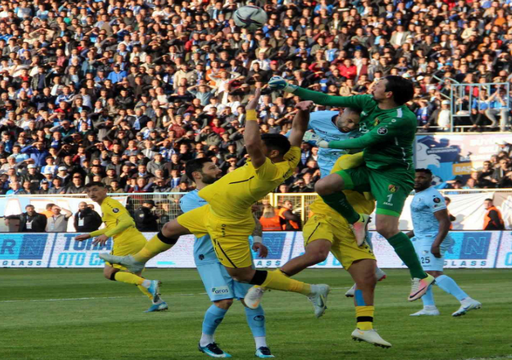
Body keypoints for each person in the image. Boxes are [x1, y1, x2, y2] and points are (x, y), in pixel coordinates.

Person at [100, 91, 330, 318]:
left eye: (261, 147)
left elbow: (249, 141)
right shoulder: (288, 157)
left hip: (229, 220)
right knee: (170, 229)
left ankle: (311, 290)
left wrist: (250, 109)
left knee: (242, 274)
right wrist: (302, 111)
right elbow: (298, 131)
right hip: (214, 210)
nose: (253, 151)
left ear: (272, 152)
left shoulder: (268, 170)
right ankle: (136, 261)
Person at [269, 75, 434, 301]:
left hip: (393, 175)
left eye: (379, 85)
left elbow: (361, 142)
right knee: (324, 185)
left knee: (387, 228)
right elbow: (325, 97)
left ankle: (420, 276)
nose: (373, 86)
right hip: (369, 167)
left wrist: (322, 142)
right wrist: (288, 87)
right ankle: (356, 219)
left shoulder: (401, 119)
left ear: (389, 94)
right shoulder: (368, 101)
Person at [253, 153, 391, 347]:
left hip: (353, 227)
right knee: (317, 253)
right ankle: (264, 284)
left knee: (367, 277)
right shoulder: (348, 161)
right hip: (324, 216)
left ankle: (365, 328)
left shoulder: (384, 174)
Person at [180, 158, 273, 358]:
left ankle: (262, 347)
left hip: (239, 252)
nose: (218, 169)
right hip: (211, 256)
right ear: (197, 175)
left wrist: (257, 239)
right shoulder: (189, 199)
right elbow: (208, 222)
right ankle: (206, 342)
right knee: (224, 301)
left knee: (251, 299)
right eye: (212, 168)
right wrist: (239, 210)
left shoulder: (231, 192)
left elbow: (254, 220)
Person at [75, 182, 167, 312]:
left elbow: (127, 221)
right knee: (134, 274)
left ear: (105, 190)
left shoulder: (109, 203)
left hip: (126, 242)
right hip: (136, 240)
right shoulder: (106, 205)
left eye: (95, 190)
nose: (92, 193)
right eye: (89, 191)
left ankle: (149, 284)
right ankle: (158, 302)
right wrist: (90, 234)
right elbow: (112, 226)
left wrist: (107, 235)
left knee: (109, 273)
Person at [408, 169, 482, 317]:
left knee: (433, 274)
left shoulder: (433, 195)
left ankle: (466, 300)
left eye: (422, 177)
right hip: (423, 238)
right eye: (415, 177)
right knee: (420, 274)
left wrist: (436, 243)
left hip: (432, 239)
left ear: (430, 179)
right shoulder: (418, 195)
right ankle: (429, 307)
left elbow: (444, 221)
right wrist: (405, 236)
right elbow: (424, 223)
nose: (417, 180)